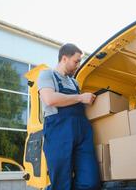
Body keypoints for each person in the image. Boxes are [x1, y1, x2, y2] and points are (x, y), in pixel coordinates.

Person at [37, 43, 100, 190]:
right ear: (64, 58)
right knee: (61, 183)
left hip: (82, 132)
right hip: (59, 132)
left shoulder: (75, 83)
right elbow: (50, 99)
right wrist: (80, 98)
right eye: (76, 61)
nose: (78, 65)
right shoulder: (47, 74)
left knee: (90, 182)